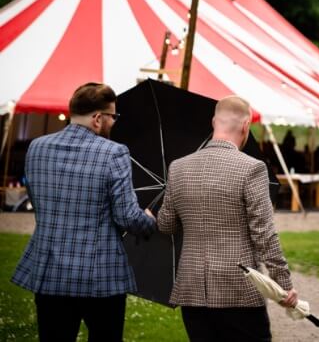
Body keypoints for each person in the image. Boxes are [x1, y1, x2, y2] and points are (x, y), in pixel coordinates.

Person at [11, 82, 157, 342]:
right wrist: (148, 221)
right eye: (113, 116)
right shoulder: (114, 153)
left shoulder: (37, 147)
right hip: (100, 276)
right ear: (98, 118)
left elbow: (39, 202)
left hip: (49, 269)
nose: (114, 122)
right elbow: (127, 217)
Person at [158, 95, 298, 342]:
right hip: (239, 289)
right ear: (245, 127)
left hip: (192, 289)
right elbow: (264, 234)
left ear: (214, 122)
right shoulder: (251, 168)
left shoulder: (178, 167)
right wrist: (283, 284)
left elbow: (166, 225)